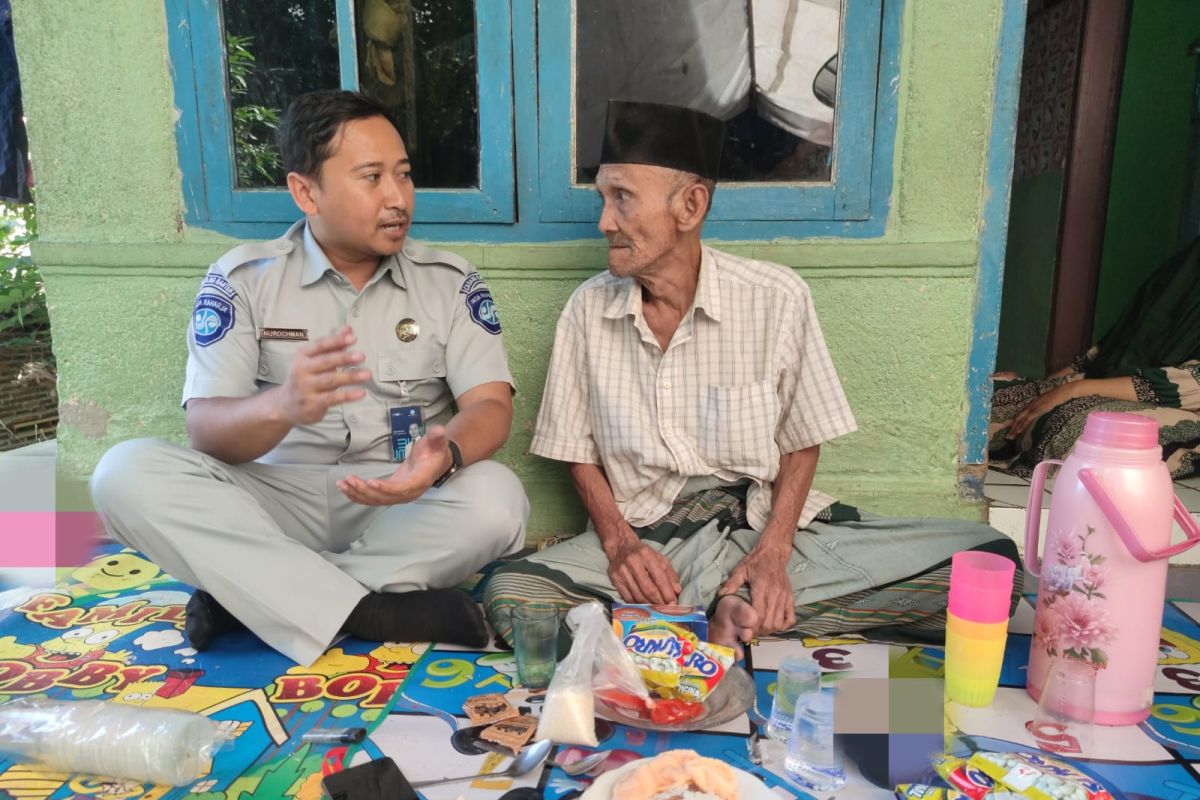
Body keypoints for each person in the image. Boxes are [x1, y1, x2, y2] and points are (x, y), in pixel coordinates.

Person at [482, 100, 1020, 652]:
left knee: (992, 563)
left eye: (621, 198)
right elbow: (576, 451)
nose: (603, 221)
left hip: (758, 522)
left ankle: (702, 609)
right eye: (603, 198)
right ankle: (737, 608)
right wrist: (619, 545)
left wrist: (773, 553)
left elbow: (801, 443)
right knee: (514, 593)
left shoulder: (776, 298)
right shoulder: (586, 310)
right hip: (649, 535)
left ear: (690, 206)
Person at [89, 90, 529, 666]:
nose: (398, 198)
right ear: (305, 192)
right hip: (274, 501)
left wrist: (441, 457)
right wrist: (283, 408)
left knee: (499, 498)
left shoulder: (449, 282)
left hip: (396, 499)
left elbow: (491, 406)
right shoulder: (243, 280)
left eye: (403, 175)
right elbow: (208, 431)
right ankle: (371, 613)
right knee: (124, 472)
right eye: (371, 178)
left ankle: (251, 598)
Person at [991, 236, 1200, 479]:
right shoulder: (1183, 272)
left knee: (1086, 428)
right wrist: (1042, 387)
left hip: (1187, 411)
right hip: (1113, 388)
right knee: (992, 395)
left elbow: (1191, 385)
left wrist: (1074, 390)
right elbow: (1118, 346)